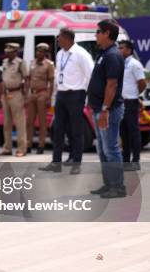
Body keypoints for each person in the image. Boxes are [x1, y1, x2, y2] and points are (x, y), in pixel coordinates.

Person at [40, 27, 93, 174]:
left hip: (76, 94)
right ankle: (56, 162)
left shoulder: (81, 54)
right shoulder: (60, 53)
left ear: (68, 38)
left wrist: (86, 96)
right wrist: (55, 95)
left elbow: (90, 75)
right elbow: (59, 74)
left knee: (76, 130)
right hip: (62, 95)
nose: (57, 39)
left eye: (59, 37)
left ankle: (77, 163)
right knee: (58, 129)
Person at [88, 19, 126, 198]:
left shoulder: (112, 55)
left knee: (111, 148)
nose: (95, 35)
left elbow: (112, 85)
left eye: (98, 32)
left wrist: (104, 109)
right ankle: (108, 184)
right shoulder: (104, 53)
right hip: (99, 109)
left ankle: (118, 187)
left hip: (108, 110)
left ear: (107, 34)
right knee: (102, 149)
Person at [119, 40, 146, 171]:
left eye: (122, 48)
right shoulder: (121, 63)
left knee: (133, 132)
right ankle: (125, 161)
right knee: (124, 133)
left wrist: (135, 95)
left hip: (130, 102)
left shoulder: (134, 64)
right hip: (121, 103)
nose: (119, 50)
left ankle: (136, 161)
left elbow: (142, 83)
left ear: (129, 50)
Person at [0, 43, 29, 157]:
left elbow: (27, 79)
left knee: (19, 122)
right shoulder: (5, 63)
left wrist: (26, 96)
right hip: (6, 94)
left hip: (17, 93)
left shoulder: (20, 63)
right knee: (6, 123)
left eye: (9, 51)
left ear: (15, 52)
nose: (7, 53)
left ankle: (22, 149)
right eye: (6, 51)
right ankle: (7, 148)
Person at [26, 43, 55, 154]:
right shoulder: (32, 63)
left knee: (42, 122)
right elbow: (28, 79)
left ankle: (41, 145)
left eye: (42, 51)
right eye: (38, 50)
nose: (39, 53)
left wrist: (49, 98)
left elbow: (51, 82)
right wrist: (26, 95)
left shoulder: (49, 65)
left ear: (45, 53)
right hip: (32, 94)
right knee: (29, 122)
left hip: (43, 94)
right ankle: (28, 144)